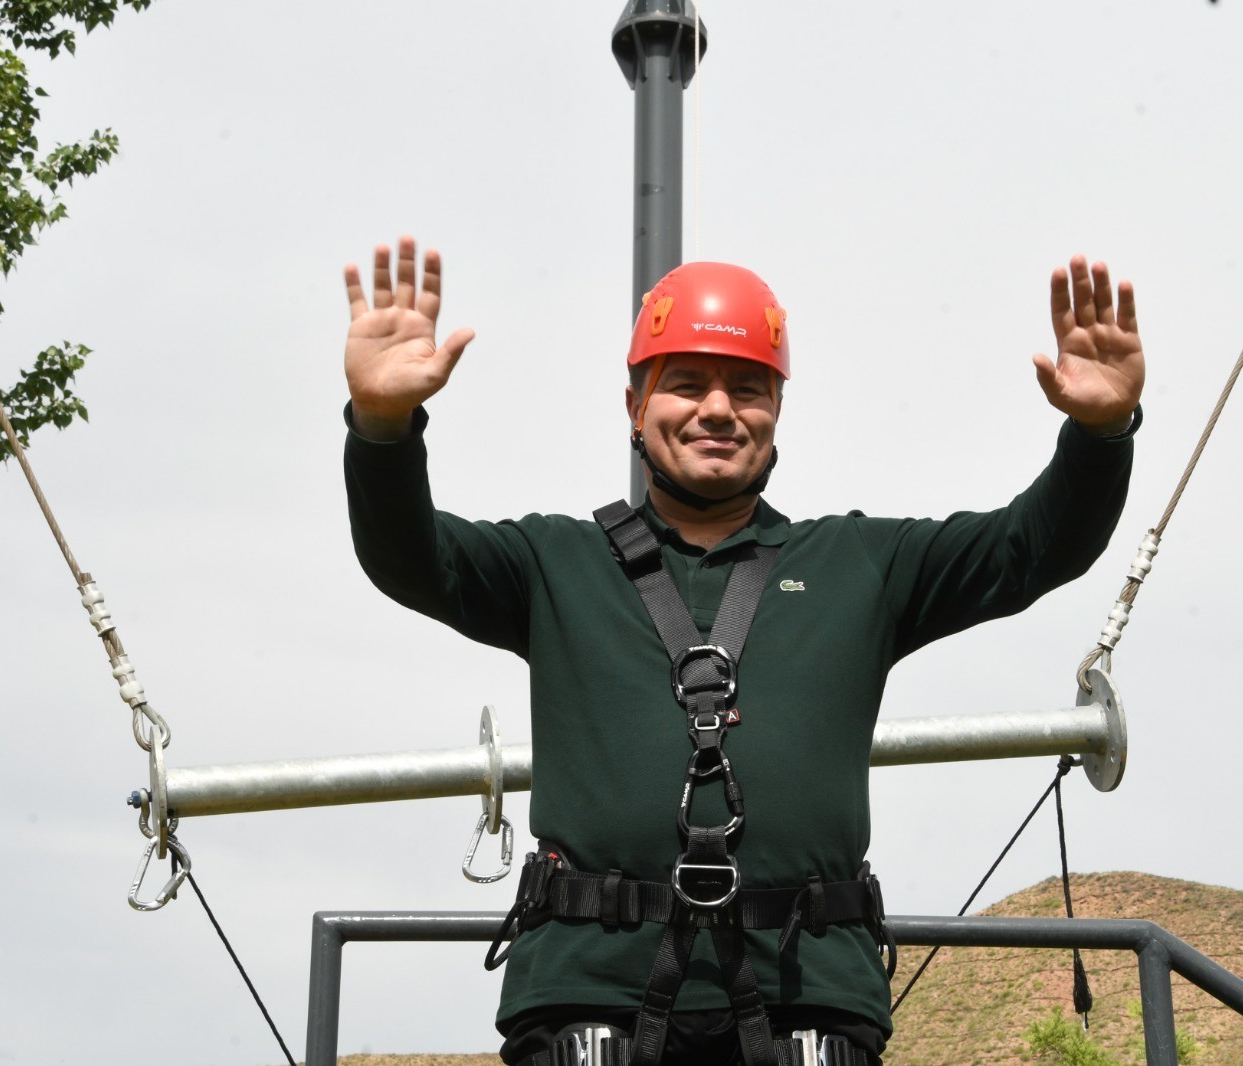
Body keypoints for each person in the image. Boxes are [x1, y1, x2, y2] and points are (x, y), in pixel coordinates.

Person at [342, 238, 1145, 1066]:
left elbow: (1031, 550)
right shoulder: (555, 565)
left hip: (810, 999)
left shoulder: (860, 566)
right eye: (686, 383)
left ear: (778, 410)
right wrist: (382, 427)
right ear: (634, 405)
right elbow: (408, 557)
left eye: (748, 389)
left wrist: (1098, 432)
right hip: (590, 996)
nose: (718, 409)